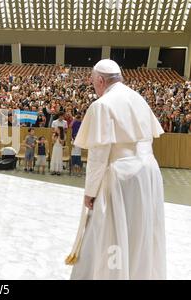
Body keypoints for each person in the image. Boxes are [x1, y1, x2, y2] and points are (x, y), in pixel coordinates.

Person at [66, 59, 166, 280]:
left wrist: (90, 192)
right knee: (140, 231)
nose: (94, 87)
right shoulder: (138, 98)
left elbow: (98, 156)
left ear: (100, 80)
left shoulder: (102, 105)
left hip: (121, 175)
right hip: (148, 171)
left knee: (109, 233)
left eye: (93, 83)